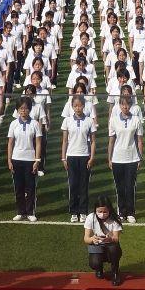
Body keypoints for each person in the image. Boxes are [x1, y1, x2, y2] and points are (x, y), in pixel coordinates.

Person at [60, 92, 97, 221]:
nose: (78, 108)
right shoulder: (67, 121)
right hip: (71, 156)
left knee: (83, 185)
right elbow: (64, 140)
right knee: (73, 184)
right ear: (72, 106)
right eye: (75, 106)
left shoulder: (89, 121)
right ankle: (74, 211)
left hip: (84, 156)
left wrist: (91, 157)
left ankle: (83, 211)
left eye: (80, 106)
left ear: (83, 106)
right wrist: (63, 158)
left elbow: (92, 141)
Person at [108, 92, 143, 224]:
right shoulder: (114, 120)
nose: (125, 107)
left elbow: (139, 140)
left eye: (127, 104)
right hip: (117, 158)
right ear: (119, 105)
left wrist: (140, 157)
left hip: (132, 158)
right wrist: (109, 158)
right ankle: (121, 212)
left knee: (130, 186)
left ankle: (131, 212)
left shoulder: (136, 119)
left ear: (131, 105)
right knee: (120, 187)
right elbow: (111, 140)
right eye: (122, 104)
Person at [6, 98, 43, 222]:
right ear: (17, 110)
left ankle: (30, 212)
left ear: (29, 109)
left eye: (26, 108)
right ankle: (20, 211)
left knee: (30, 187)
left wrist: (37, 160)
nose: (23, 110)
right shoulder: (13, 124)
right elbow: (10, 143)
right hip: (16, 159)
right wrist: (9, 160)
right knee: (18, 187)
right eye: (21, 108)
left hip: (30, 160)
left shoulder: (35, 124)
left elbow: (38, 143)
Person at [84, 195, 124, 285]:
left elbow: (116, 239)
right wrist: (92, 239)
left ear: (109, 210)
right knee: (94, 263)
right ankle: (99, 268)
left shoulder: (115, 219)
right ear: (95, 210)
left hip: (110, 244)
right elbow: (86, 239)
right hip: (96, 244)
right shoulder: (91, 217)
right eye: (99, 211)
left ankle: (115, 272)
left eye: (105, 211)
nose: (102, 214)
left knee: (114, 250)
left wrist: (110, 238)